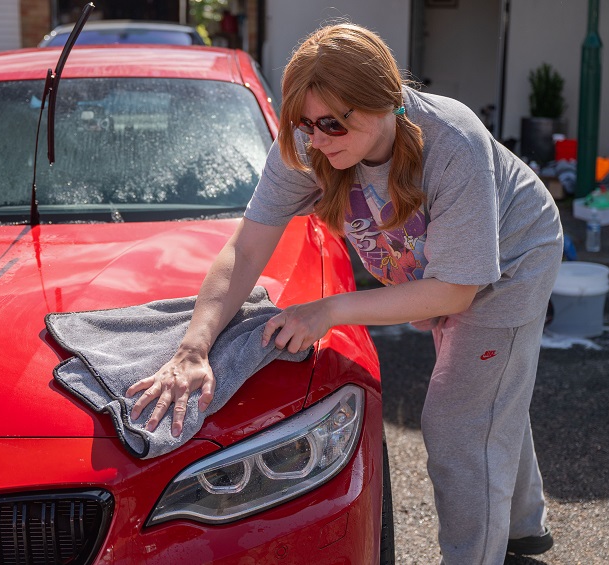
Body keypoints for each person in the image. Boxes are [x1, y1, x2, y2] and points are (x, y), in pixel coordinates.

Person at [126, 22, 562, 564]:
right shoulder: (307, 149)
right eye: (304, 124)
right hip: (439, 271)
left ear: (383, 103)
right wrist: (193, 347)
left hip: (510, 260)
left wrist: (330, 310)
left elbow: (454, 291)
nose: (317, 140)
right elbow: (245, 249)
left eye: (332, 124)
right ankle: (523, 526)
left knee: (457, 422)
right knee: (486, 393)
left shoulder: (452, 142)